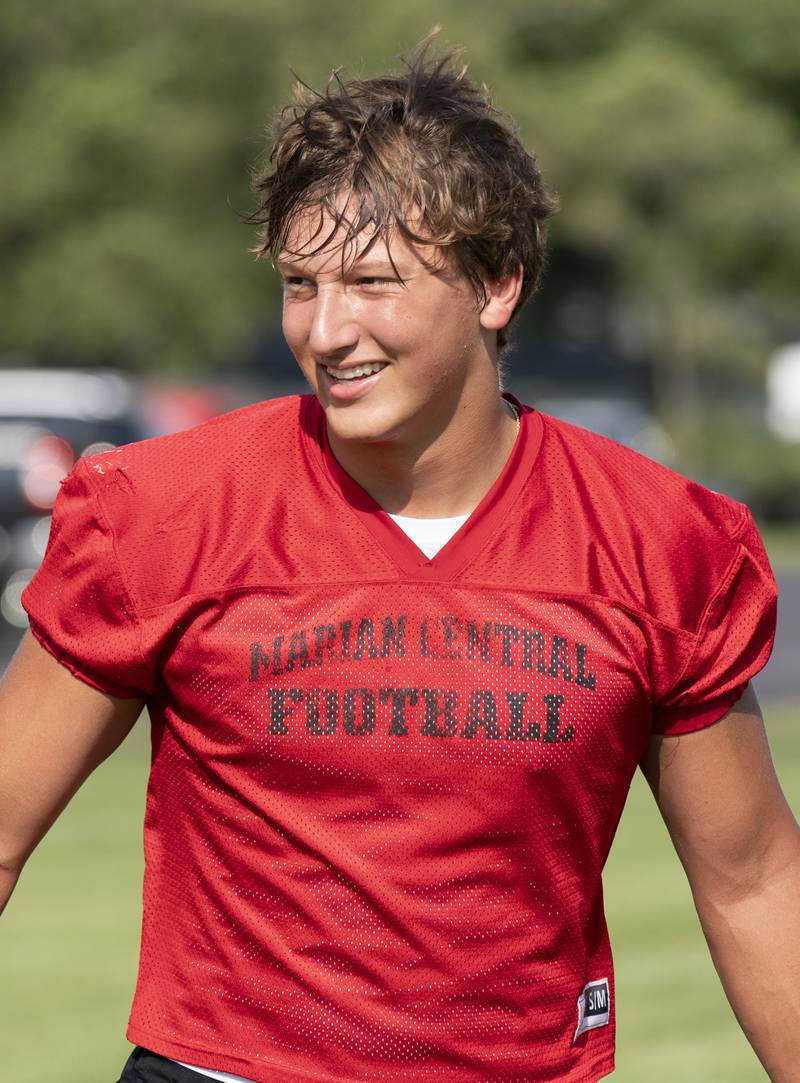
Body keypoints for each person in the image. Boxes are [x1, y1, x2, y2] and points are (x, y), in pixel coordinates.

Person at [1, 37, 798, 1083]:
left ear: (496, 284)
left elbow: (749, 881)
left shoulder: (658, 539)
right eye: (300, 283)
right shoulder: (163, 512)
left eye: (372, 282)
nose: (327, 329)